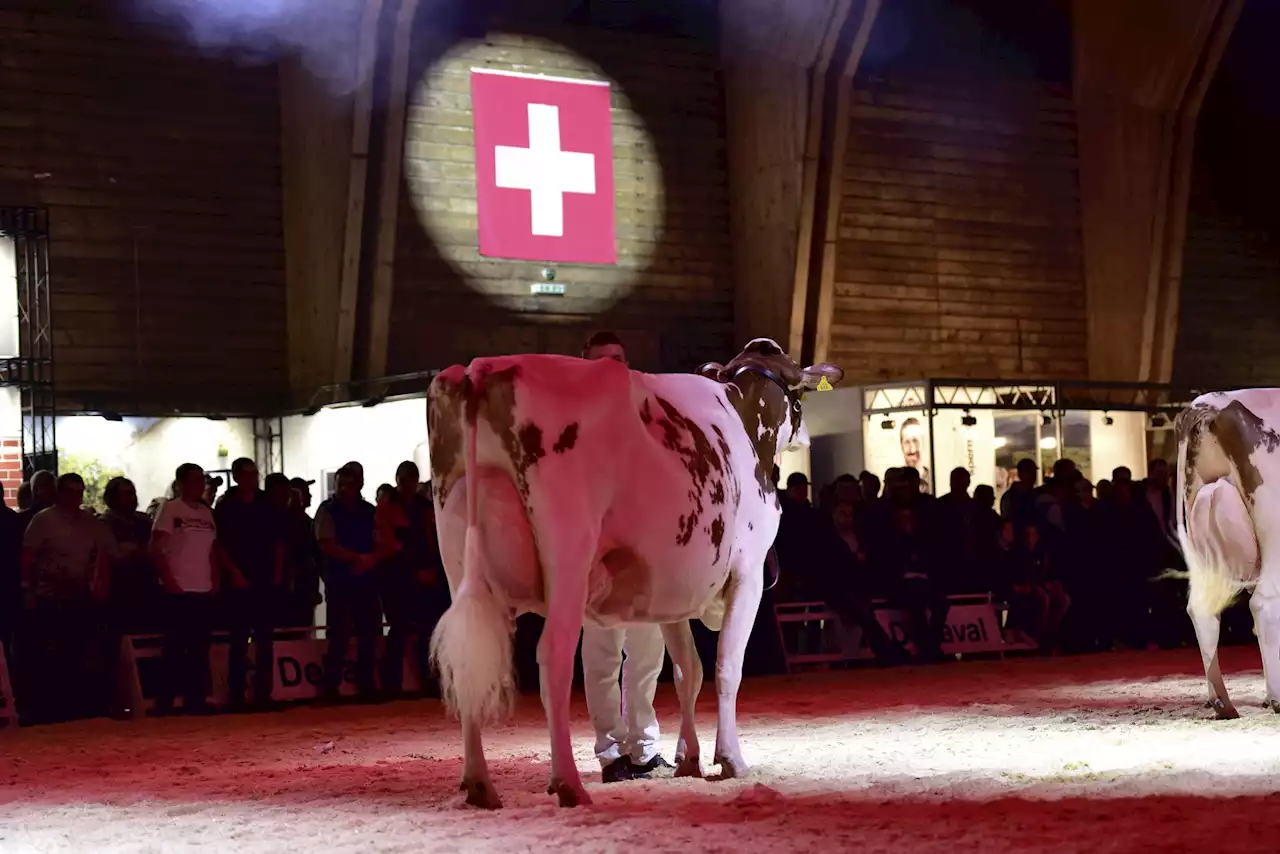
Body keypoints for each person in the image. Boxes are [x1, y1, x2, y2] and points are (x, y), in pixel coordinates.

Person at [579, 331, 672, 781]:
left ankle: (644, 747)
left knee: (647, 654)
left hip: (643, 549)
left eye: (616, 359)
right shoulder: (574, 420)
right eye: (600, 361)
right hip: (595, 550)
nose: (610, 368)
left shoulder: (646, 412)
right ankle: (610, 752)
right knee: (602, 656)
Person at [18, 473, 115, 723]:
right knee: (51, 654)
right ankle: (51, 709)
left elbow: (108, 552)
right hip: (49, 594)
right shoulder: (43, 520)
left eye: (79, 491)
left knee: (79, 650)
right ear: (59, 492)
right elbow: (28, 557)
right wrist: (28, 589)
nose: (75, 496)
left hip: (81, 595)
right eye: (70, 491)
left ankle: (79, 705)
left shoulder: (90, 522)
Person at [215, 458, 285, 711]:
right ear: (236, 476)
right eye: (247, 474)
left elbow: (279, 541)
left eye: (255, 474)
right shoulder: (226, 506)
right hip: (238, 580)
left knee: (265, 639)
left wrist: (277, 573)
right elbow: (219, 544)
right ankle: (236, 694)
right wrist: (233, 572)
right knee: (239, 638)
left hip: (264, 578)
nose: (252, 478)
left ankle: (263, 693)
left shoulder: (267, 504)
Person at [151, 463, 220, 716]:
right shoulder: (169, 509)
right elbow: (156, 548)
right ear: (180, 483)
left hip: (202, 587)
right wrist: (169, 581)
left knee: (200, 648)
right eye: (194, 480)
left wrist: (214, 579)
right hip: (178, 587)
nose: (200, 485)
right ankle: (165, 701)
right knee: (174, 647)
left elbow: (212, 550)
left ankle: (196, 699)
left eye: (202, 480)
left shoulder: (206, 512)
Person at [376, 461, 447, 697]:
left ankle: (428, 680)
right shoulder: (387, 508)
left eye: (412, 480)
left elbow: (435, 541)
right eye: (404, 479)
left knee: (428, 631)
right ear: (397, 479)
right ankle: (392, 683)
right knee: (399, 630)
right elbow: (389, 544)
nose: (408, 484)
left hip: (426, 576)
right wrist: (415, 569)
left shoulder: (425, 507)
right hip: (398, 578)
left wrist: (432, 570)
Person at [315, 464, 380, 701]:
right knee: (338, 637)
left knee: (368, 635)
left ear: (360, 484)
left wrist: (371, 559)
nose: (343, 489)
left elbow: (383, 542)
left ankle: (367, 686)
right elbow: (326, 544)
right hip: (340, 582)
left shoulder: (370, 512)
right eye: (339, 484)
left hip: (367, 582)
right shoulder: (327, 510)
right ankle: (330, 688)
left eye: (349, 484)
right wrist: (357, 558)